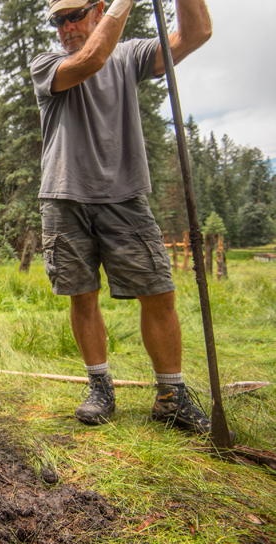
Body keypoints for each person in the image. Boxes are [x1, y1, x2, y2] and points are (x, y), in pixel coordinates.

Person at [30, 0, 227, 437]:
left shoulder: (130, 54)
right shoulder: (49, 64)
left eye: (74, 15)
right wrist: (125, 4)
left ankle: (170, 396)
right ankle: (100, 386)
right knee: (82, 295)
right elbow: (91, 60)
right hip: (64, 196)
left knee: (157, 291)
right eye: (57, 20)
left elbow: (195, 34)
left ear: (97, 10)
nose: (65, 28)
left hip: (126, 195)